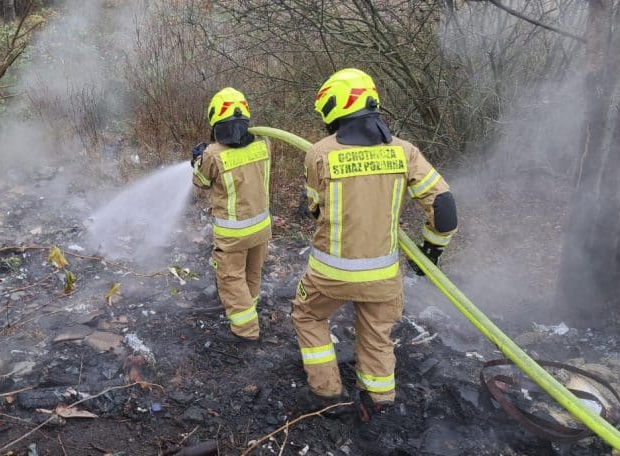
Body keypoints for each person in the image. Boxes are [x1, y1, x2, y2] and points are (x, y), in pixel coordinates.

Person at [292, 68, 458, 421]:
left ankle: (327, 392)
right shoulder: (405, 152)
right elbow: (444, 208)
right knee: (377, 334)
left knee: (307, 315)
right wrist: (430, 252)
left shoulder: (318, 153)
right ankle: (378, 401)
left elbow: (314, 209)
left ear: (335, 108)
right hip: (383, 276)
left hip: (329, 275)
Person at [191, 87, 272, 342]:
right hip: (261, 228)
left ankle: (246, 331)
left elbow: (201, 182)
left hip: (233, 233)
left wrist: (197, 159)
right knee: (252, 273)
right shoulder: (263, 144)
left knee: (231, 277)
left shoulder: (212, 155)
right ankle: (250, 310)